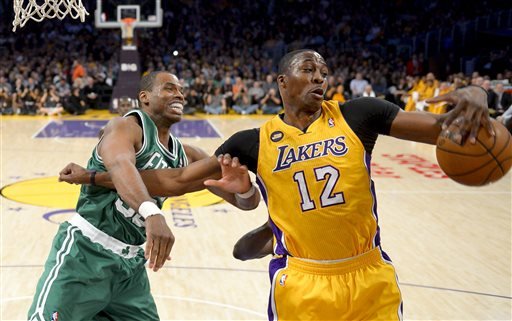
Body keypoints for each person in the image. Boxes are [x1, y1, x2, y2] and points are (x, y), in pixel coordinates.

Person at [60, 50, 491, 320]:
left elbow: (447, 128)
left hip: (370, 272)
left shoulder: (361, 115)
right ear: (283, 82)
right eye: (309, 69)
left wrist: (476, 96)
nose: (321, 77)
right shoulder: (253, 141)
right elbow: (174, 180)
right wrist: (95, 177)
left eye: (324, 71)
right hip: (301, 282)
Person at [30, 71, 260, 321]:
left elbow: (245, 203)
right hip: (85, 252)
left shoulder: (186, 154)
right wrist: (152, 212)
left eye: (181, 90)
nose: (180, 95)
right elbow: (120, 166)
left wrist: (245, 189)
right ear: (145, 97)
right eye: (170, 89)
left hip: (130, 268)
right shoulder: (125, 127)